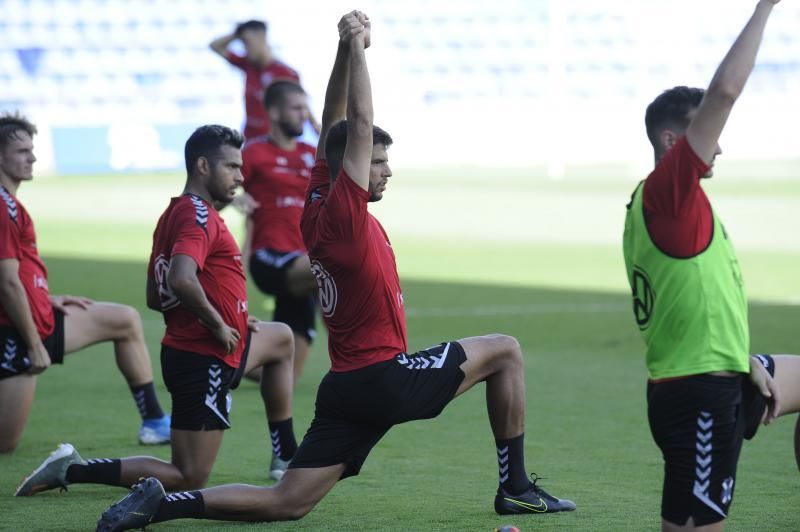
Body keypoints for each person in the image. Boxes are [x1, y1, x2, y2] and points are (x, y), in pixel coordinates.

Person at [93, 12, 575, 531]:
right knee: (505, 349)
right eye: (379, 162)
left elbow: (332, 116)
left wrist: (344, 49)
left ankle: (160, 506)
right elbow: (358, 124)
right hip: (384, 378)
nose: (387, 171)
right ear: (352, 165)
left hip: (344, 386)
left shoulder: (317, 198)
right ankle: (516, 489)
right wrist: (361, 49)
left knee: (287, 501)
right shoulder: (345, 214)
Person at [15, 125, 299, 500]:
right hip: (205, 354)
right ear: (202, 166)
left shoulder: (176, 213)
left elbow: (155, 295)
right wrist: (217, 322)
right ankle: (72, 468)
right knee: (188, 475)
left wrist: (231, 313)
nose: (240, 176)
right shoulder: (197, 216)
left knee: (280, 339)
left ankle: (286, 456)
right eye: (231, 167)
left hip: (211, 345)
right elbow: (181, 279)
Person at [622, 1, 800, 529]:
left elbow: (695, 304)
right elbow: (725, 91)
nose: (718, 146)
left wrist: (741, 358)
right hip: (697, 396)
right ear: (672, 144)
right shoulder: (667, 194)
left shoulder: (670, 203)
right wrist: (767, 7)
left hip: (721, 372)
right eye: (706, 133)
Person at [0, 112, 170, 452]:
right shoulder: (3, 208)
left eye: (32, 149)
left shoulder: (12, 204)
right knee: (5, 444)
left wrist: (45, 298)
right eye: (22, 151)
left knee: (124, 319)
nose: (32, 157)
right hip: (18, 333)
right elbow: (6, 283)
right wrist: (34, 345)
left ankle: (154, 421)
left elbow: (18, 275)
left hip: (36, 318)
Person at [232, 80, 319, 385]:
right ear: (274, 111)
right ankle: (363, 363)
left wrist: (317, 123)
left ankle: (224, 360)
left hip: (302, 261)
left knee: (285, 375)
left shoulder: (311, 153)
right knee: (332, 266)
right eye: (296, 108)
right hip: (269, 255)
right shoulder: (254, 153)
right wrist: (234, 196)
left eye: (305, 108)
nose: (302, 114)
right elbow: (216, 183)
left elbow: (347, 159)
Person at [210, 19, 321, 140]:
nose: (245, 49)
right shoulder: (247, 65)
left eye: (247, 43)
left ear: (261, 38)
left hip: (274, 141)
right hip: (250, 138)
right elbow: (215, 46)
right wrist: (237, 34)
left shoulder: (284, 72)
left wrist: (314, 125)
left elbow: (300, 102)